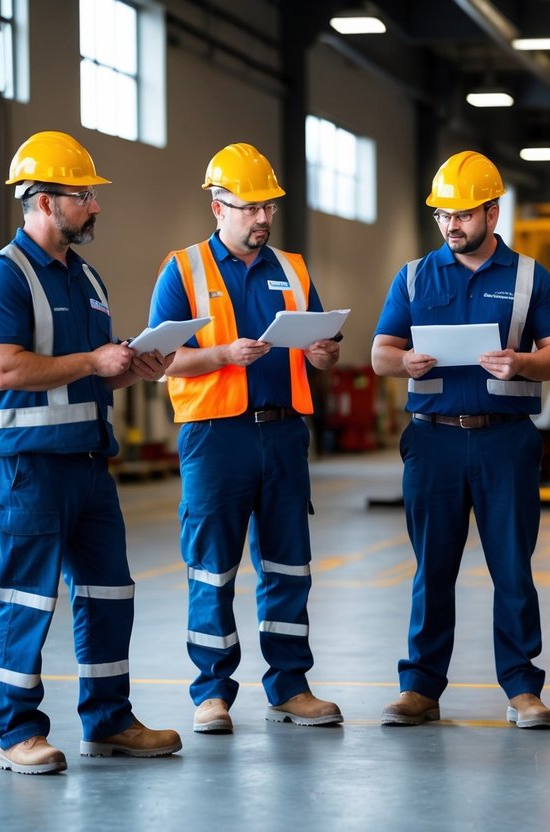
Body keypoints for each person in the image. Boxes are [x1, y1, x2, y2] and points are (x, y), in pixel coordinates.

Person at [0, 131, 182, 775]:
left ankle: (109, 720)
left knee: (110, 594)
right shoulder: (0, 279)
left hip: (88, 462)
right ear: (42, 200)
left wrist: (133, 369)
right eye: (82, 195)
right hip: (29, 466)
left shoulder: (86, 277)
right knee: (28, 597)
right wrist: (94, 358)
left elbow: (86, 372)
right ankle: (17, 732)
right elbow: (4, 370)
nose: (93, 205)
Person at [371, 150, 550, 729]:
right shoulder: (413, 275)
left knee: (512, 565)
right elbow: (380, 353)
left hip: (504, 440)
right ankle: (421, 688)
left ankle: (522, 688)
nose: (451, 225)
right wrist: (404, 360)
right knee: (432, 566)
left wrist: (523, 364)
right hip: (432, 441)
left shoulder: (531, 276)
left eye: (462, 214)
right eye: (443, 215)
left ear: (492, 212)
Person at [148, 143, 343, 732]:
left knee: (289, 566)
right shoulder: (182, 271)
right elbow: (157, 358)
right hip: (215, 438)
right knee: (212, 567)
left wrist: (324, 353)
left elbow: (324, 351)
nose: (261, 218)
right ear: (217, 206)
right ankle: (212, 693)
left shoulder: (294, 269)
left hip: (282, 435)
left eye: (269, 207)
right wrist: (221, 355)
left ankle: (290, 687)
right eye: (249, 207)